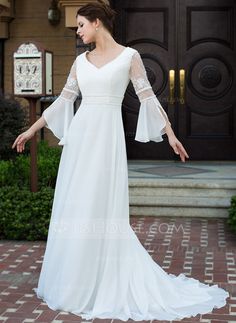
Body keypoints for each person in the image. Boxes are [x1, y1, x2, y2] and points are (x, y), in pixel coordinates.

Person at [12, 1, 229, 321]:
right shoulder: (79, 62)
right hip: (81, 142)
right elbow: (64, 101)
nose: (79, 30)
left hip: (107, 142)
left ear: (97, 22)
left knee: (102, 205)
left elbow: (147, 97)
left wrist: (169, 133)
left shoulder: (129, 57)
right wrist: (31, 130)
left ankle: (103, 278)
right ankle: (75, 280)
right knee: (78, 203)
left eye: (82, 24)